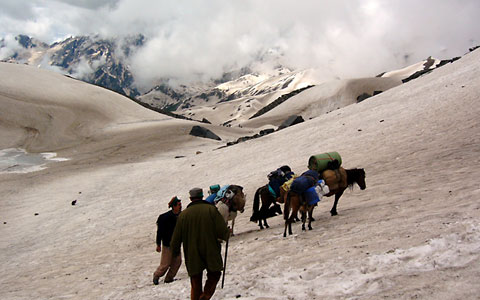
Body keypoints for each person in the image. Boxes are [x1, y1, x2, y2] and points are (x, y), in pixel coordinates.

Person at [170, 187, 230, 300]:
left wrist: (175, 251)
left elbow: (176, 237)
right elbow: (221, 230)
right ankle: (205, 296)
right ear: (202, 196)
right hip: (210, 249)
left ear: (191, 198)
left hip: (192, 252)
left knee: (195, 280)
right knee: (215, 273)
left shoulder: (183, 215)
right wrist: (227, 233)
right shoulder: (211, 210)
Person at [153, 196, 183, 285]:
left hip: (176, 243)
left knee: (177, 262)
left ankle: (169, 278)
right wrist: (158, 244)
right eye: (178, 205)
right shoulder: (165, 218)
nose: (180, 206)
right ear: (174, 206)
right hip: (167, 244)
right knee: (165, 264)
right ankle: (157, 275)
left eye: (180, 204)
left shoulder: (181, 215)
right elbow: (160, 232)